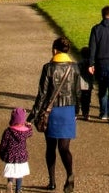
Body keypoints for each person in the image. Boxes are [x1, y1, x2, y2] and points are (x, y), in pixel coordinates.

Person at [31, 36, 82, 192]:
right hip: (68, 109)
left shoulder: (48, 68)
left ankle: (52, 181)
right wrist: (77, 111)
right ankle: (70, 173)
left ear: (54, 50)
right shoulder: (74, 68)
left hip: (51, 110)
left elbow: (42, 94)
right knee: (64, 147)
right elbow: (78, 92)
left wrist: (33, 114)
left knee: (50, 147)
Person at [0, 108, 33, 193]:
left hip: (10, 155)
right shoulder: (25, 132)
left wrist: (2, 154)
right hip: (21, 155)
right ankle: (18, 189)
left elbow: (3, 144)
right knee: (19, 173)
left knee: (11, 171)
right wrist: (28, 126)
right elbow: (31, 133)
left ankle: (10, 182)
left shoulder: (8, 131)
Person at [77, 46, 93, 121]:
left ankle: (75, 113)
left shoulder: (79, 63)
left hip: (79, 84)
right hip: (88, 85)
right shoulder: (91, 64)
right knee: (86, 101)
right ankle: (86, 113)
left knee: (78, 100)